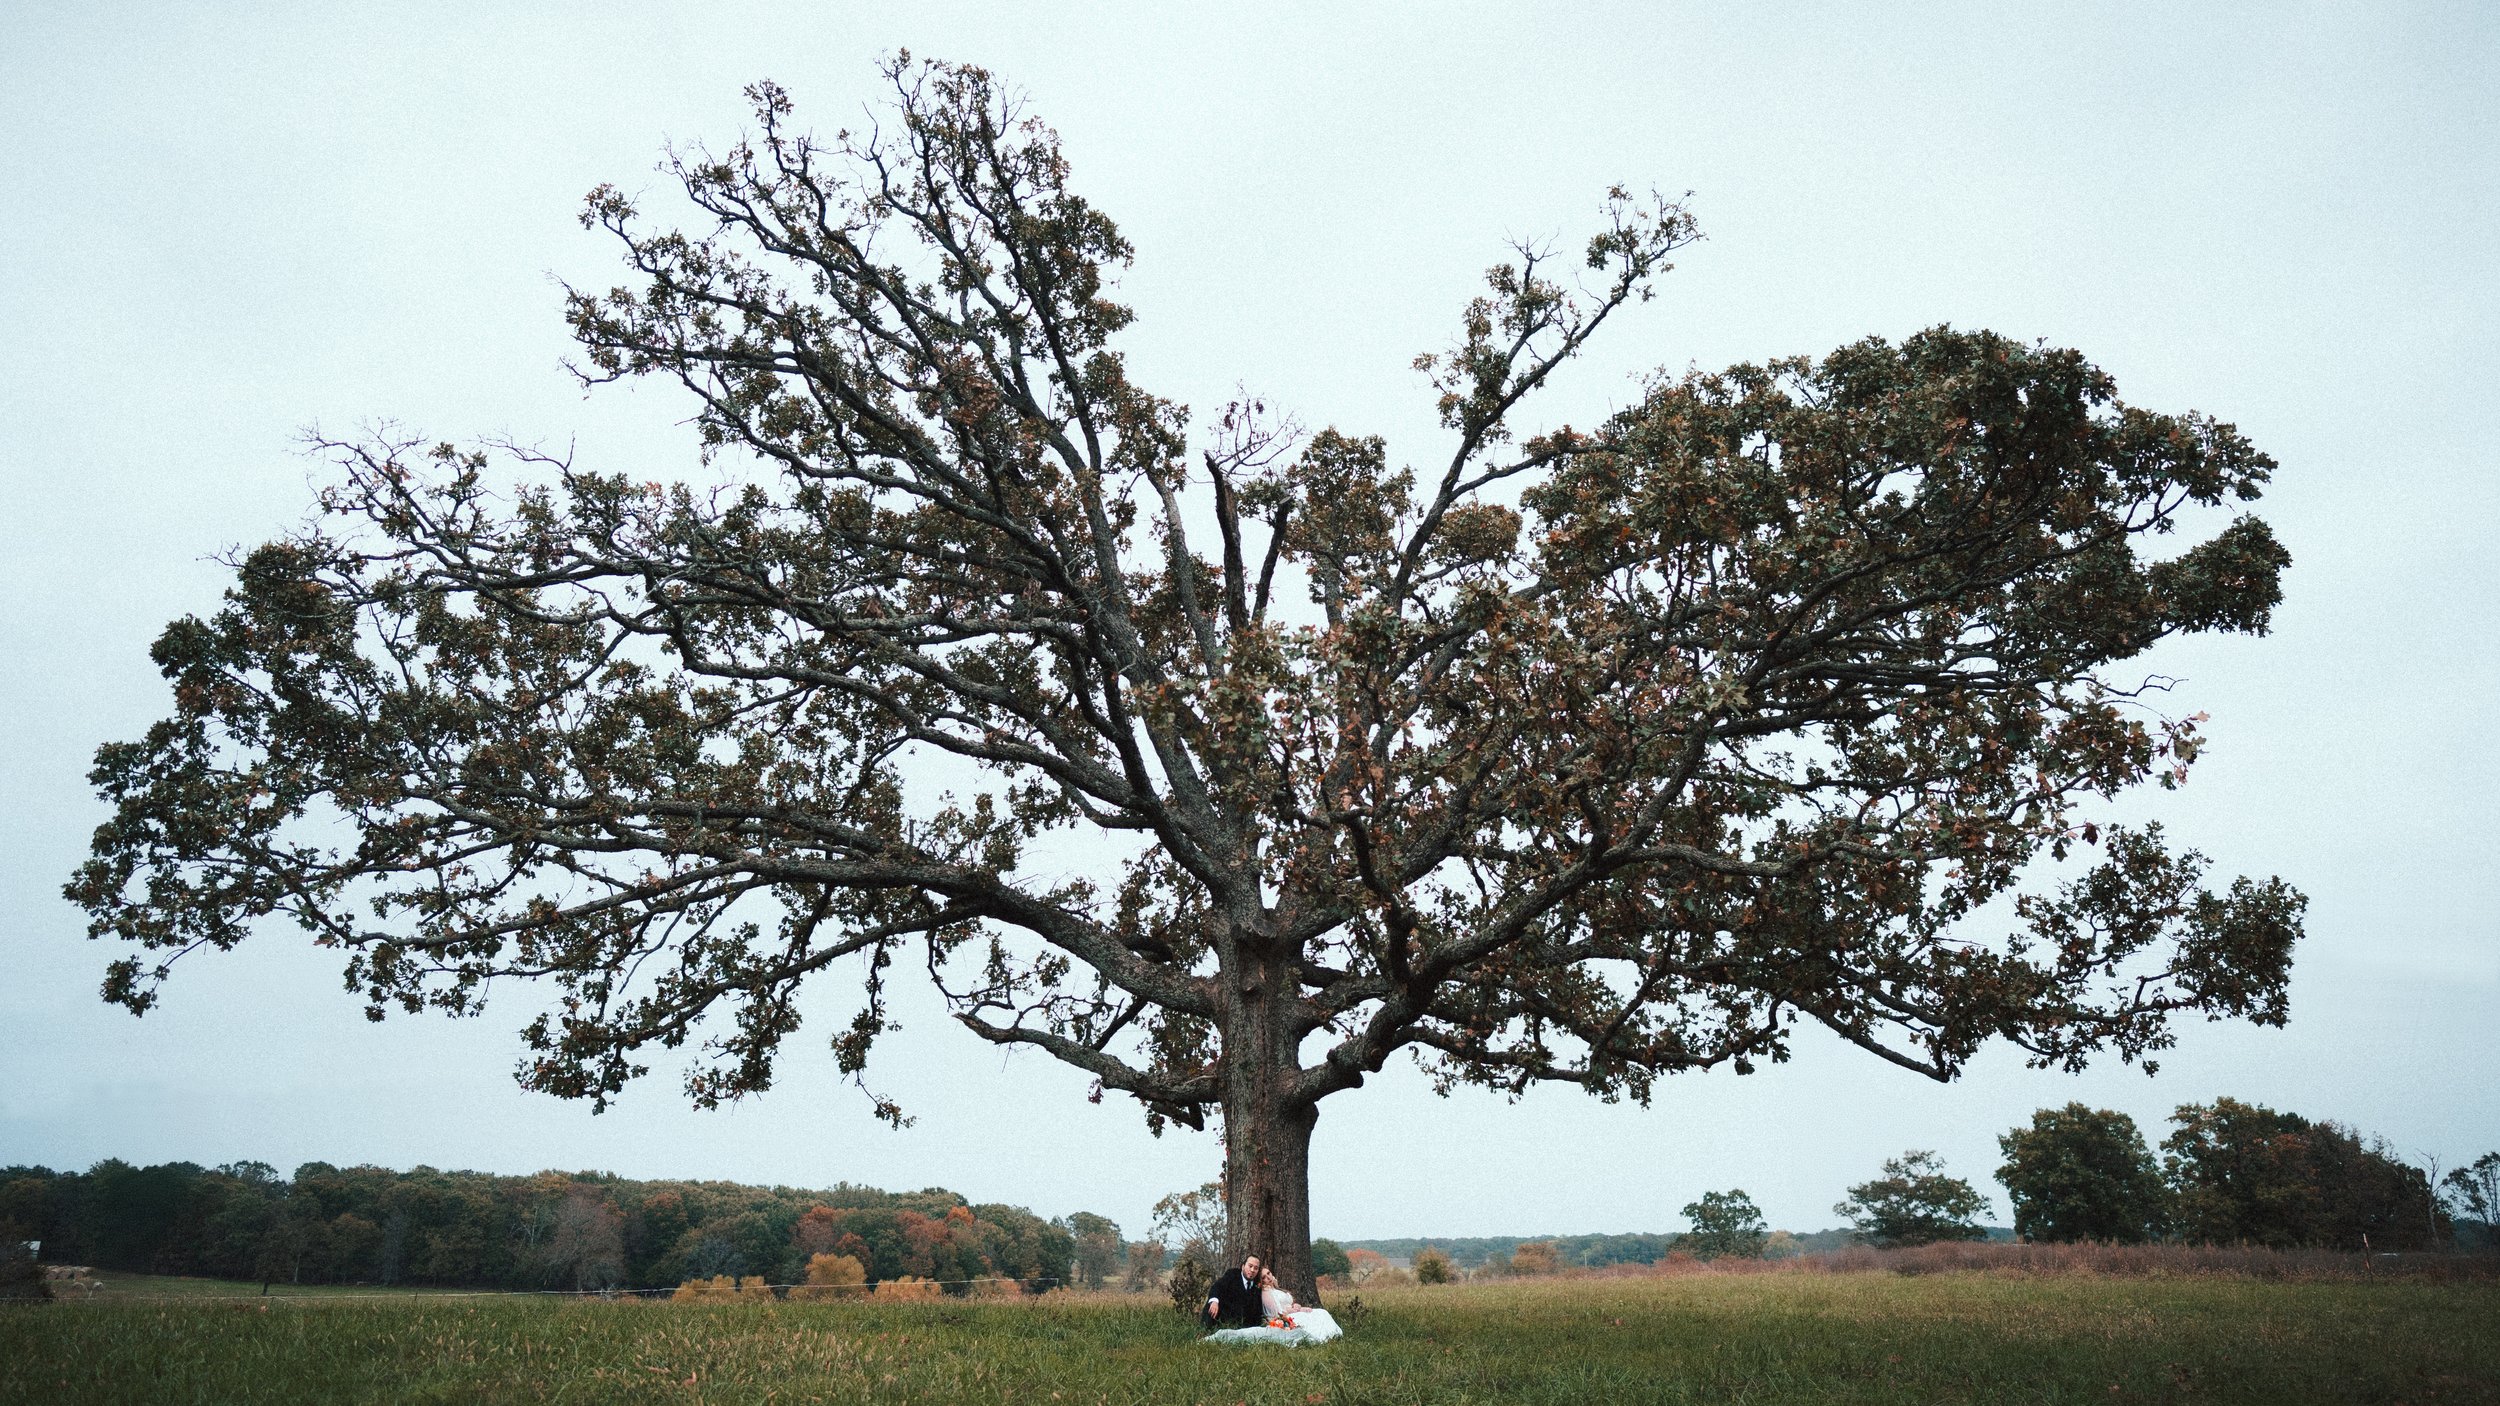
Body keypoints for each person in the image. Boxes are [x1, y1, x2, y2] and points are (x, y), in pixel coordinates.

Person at [1258, 1267, 1344, 1343]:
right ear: (1261, 1281)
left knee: (1322, 1312)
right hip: (1287, 1317)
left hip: (1294, 1312)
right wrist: (1296, 1309)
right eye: (1264, 1277)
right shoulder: (1266, 1291)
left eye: (1268, 1273)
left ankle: (1332, 1335)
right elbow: (1277, 1312)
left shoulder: (1277, 1289)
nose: (1268, 1277)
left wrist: (1296, 1305)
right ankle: (1323, 1337)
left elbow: (1288, 1303)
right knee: (1316, 1316)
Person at [1203, 1254, 1265, 1332]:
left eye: (1256, 1268)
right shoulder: (1232, 1274)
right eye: (1250, 1266)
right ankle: (1206, 1331)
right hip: (1223, 1317)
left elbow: (1257, 1312)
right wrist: (1214, 1301)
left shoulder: (1257, 1286)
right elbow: (1218, 1286)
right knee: (1212, 1304)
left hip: (1242, 1326)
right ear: (1243, 1266)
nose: (1252, 1270)